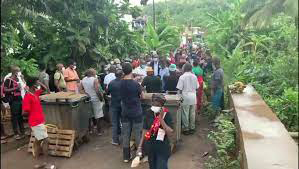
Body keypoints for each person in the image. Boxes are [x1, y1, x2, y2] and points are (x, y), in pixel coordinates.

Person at [22, 76, 55, 169]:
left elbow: (46, 90)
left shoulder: (35, 93)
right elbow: (24, 112)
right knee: (46, 140)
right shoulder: (28, 96)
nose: (38, 84)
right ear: (33, 84)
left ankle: (37, 163)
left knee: (37, 141)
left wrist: (39, 83)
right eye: (37, 82)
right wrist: (33, 115)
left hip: (39, 121)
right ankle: (46, 164)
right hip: (36, 122)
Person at [137, 94, 173, 169]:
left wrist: (161, 119)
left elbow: (170, 132)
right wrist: (140, 146)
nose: (154, 106)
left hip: (162, 148)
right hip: (150, 147)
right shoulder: (148, 112)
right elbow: (145, 129)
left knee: (161, 166)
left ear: (161, 106)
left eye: (157, 105)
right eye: (153, 104)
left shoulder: (166, 114)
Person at [120, 63, 143, 162]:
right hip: (136, 112)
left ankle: (126, 157)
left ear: (123, 71)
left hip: (125, 111)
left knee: (126, 134)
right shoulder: (136, 84)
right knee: (138, 134)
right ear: (131, 71)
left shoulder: (119, 83)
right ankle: (139, 155)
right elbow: (142, 96)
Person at [3, 66, 25, 140]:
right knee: (15, 117)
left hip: (19, 99)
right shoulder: (8, 80)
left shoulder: (18, 79)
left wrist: (22, 79)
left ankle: (22, 132)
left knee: (20, 116)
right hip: (13, 100)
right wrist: (15, 88)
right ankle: (16, 133)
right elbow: (5, 90)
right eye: (18, 71)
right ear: (14, 72)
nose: (19, 72)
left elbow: (23, 87)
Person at [177, 63, 199, 135]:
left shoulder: (182, 77)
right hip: (193, 96)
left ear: (184, 68)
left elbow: (180, 89)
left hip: (185, 96)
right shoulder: (194, 76)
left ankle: (186, 129)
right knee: (192, 112)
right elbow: (197, 87)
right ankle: (192, 127)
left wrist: (179, 97)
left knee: (185, 113)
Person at [80, 68, 104, 135]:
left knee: (90, 115)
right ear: (92, 73)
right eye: (94, 72)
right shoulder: (94, 80)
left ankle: (90, 130)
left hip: (88, 99)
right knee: (98, 116)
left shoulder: (83, 79)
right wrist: (101, 98)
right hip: (95, 99)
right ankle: (99, 131)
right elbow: (97, 90)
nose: (95, 74)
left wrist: (86, 94)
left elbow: (80, 90)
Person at [107, 70, 123, 145]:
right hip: (123, 105)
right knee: (124, 122)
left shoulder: (111, 83)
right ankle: (125, 138)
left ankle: (115, 140)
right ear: (122, 75)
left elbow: (107, 92)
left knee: (114, 123)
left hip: (114, 104)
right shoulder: (124, 82)